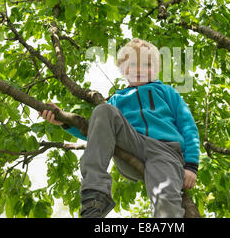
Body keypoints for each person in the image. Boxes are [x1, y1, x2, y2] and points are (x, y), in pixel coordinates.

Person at [39, 38, 200, 218]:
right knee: (103, 110)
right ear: (124, 71)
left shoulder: (168, 92)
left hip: (166, 152)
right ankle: (95, 193)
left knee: (166, 200)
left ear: (156, 70)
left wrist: (191, 165)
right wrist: (64, 121)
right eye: (133, 64)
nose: (139, 69)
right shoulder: (116, 100)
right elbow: (97, 132)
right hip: (132, 144)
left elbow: (189, 127)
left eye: (146, 64)